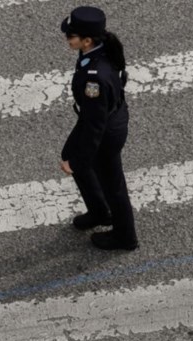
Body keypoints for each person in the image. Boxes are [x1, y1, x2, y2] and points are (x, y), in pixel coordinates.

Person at [59, 6, 139, 251]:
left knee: (112, 184)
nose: (67, 40)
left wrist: (79, 161)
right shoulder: (99, 50)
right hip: (103, 118)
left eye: (70, 37)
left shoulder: (95, 78)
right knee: (72, 159)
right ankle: (99, 212)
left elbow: (95, 127)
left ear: (87, 40)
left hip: (105, 130)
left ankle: (125, 237)